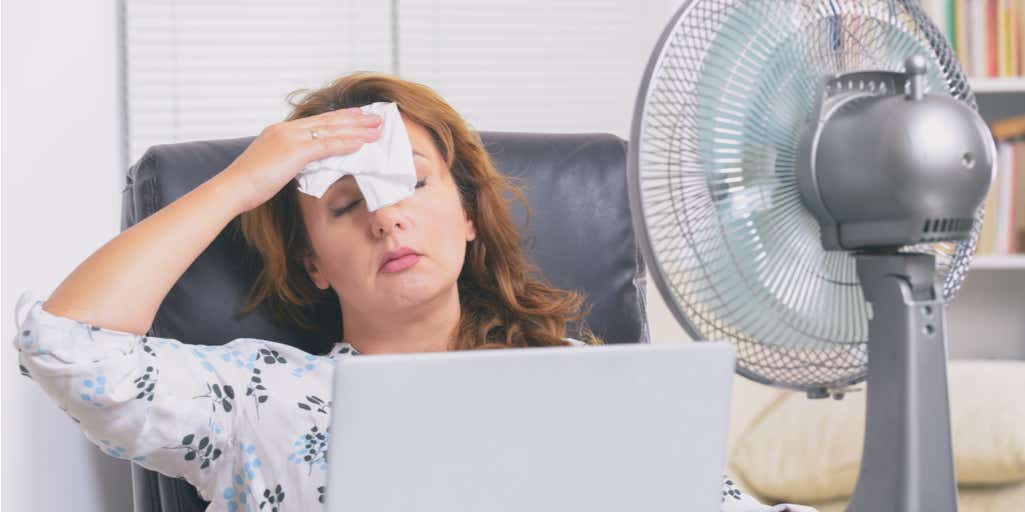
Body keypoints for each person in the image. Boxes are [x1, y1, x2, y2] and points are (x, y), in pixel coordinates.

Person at [13, 71, 814, 512]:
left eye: (410, 188)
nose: (387, 222)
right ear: (314, 266)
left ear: (468, 216)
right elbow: (70, 350)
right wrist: (240, 185)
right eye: (346, 206)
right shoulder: (258, 398)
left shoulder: (587, 384)